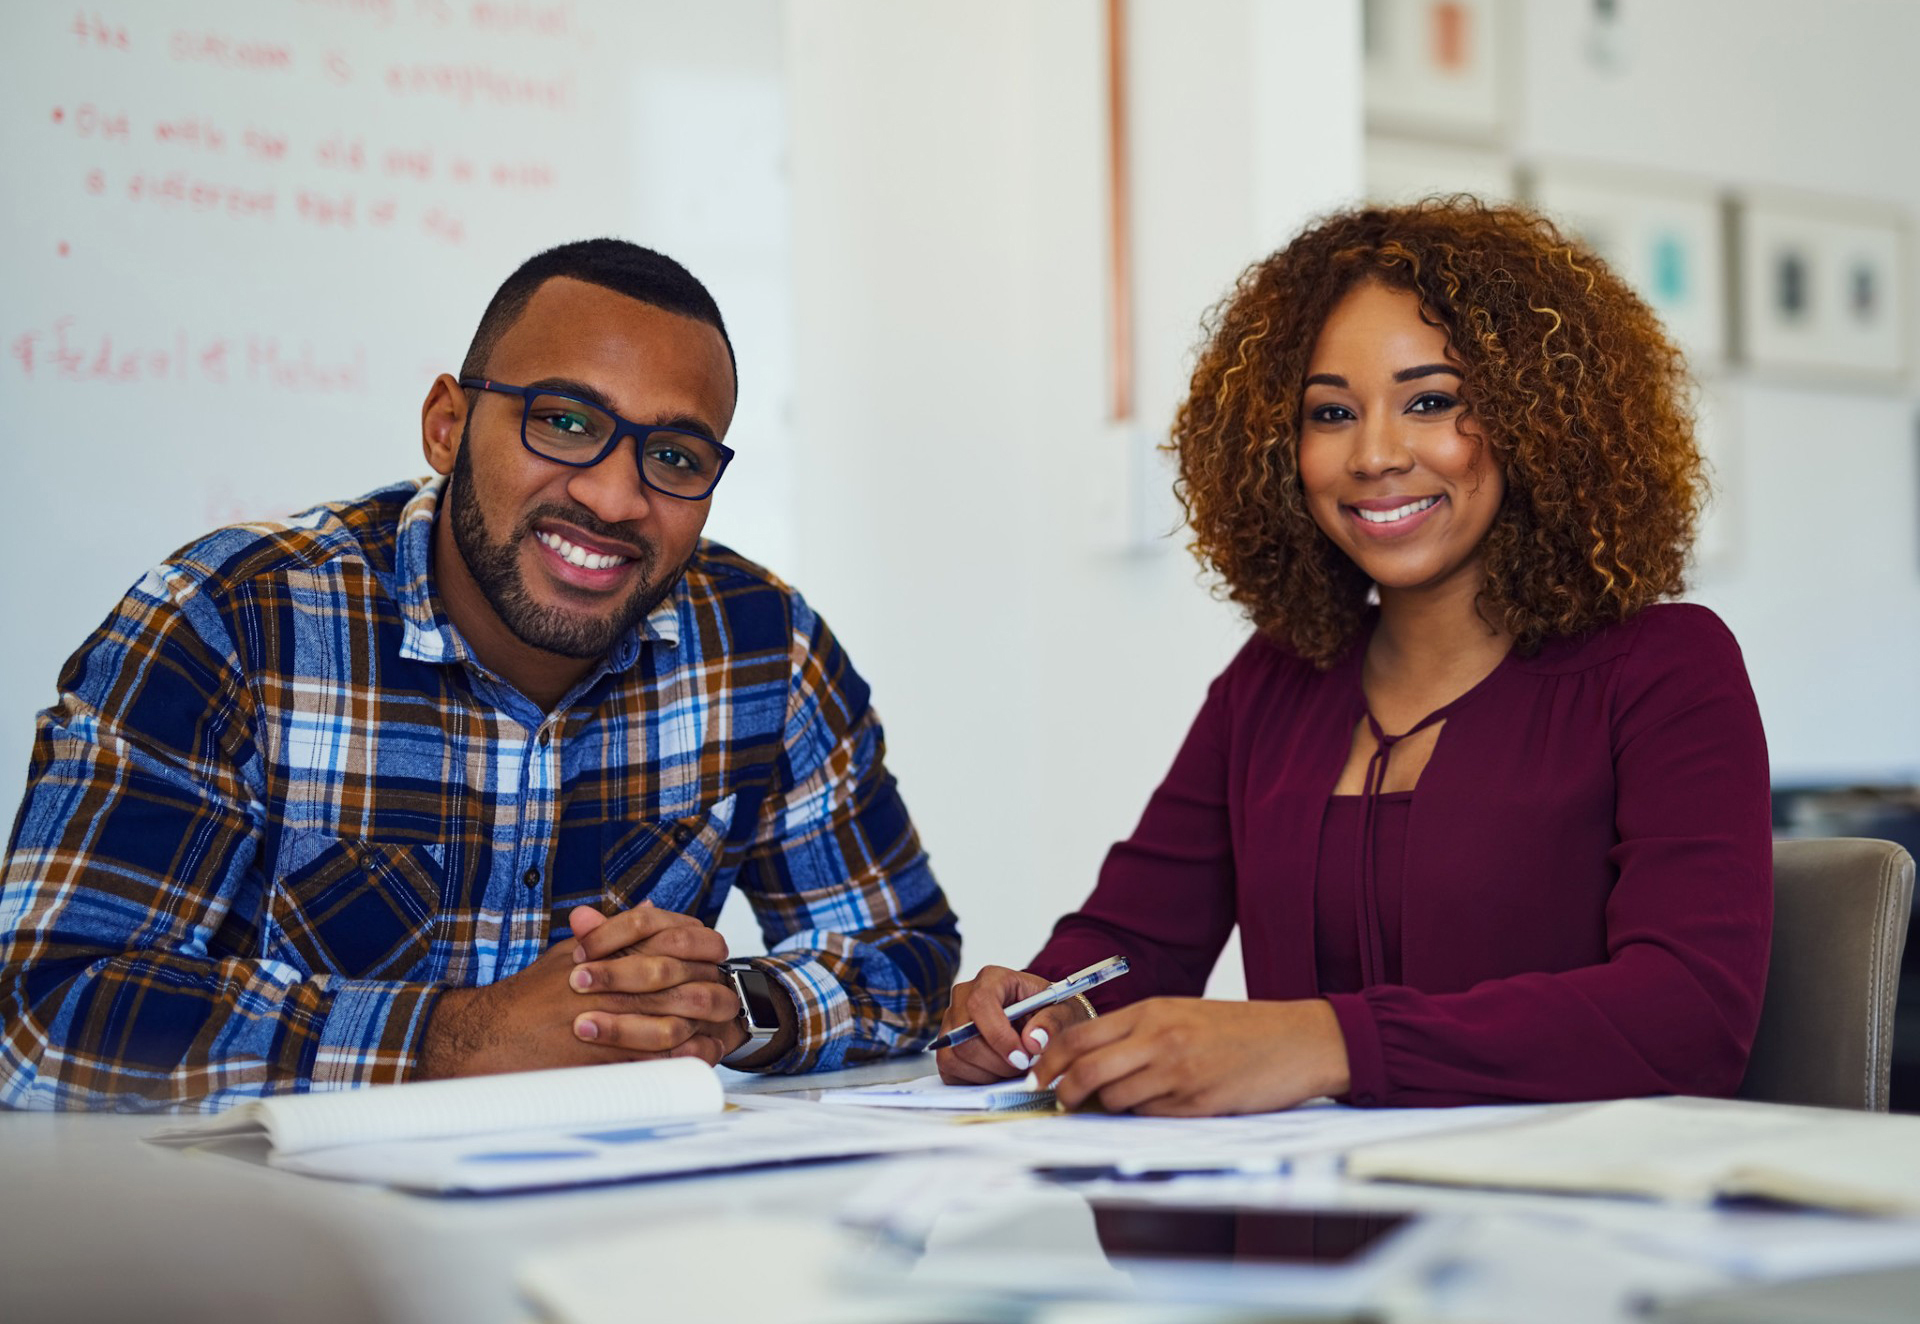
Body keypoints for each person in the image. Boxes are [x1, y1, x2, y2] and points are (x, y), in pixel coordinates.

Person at [0, 239, 959, 1110]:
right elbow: (41, 1010)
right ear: (446, 427)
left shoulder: (765, 646)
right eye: (565, 423)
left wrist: (729, 1007)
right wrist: (461, 1039)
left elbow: (906, 956)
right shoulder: (231, 621)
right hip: (280, 1261)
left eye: (673, 456)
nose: (613, 497)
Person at [939, 200, 1771, 1114]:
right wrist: (1046, 1010)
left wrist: (1326, 1042)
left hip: (1560, 1223)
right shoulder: (1275, 680)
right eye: (1331, 413)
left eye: (1431, 401)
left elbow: (1692, 1018)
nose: (1374, 454)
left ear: (1542, 421)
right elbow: (1136, 939)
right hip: (1303, 1225)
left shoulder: (1665, 669)